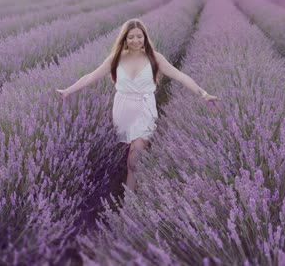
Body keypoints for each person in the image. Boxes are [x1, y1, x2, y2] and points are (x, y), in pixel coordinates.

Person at [56, 19, 219, 192]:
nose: (136, 41)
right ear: (124, 39)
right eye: (131, 37)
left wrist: (204, 94)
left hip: (144, 108)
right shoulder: (116, 58)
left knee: (134, 160)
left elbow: (180, 76)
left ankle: (129, 202)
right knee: (129, 152)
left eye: (139, 37)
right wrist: (68, 91)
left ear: (145, 37)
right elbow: (91, 76)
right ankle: (131, 186)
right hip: (123, 109)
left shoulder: (154, 58)